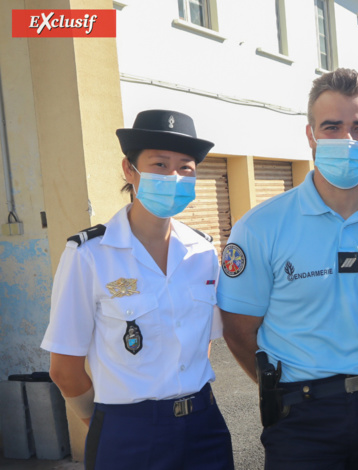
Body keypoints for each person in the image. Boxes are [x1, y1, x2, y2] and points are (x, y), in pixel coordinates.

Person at [218, 68, 358, 470]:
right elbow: (237, 328)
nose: (347, 139)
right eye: (331, 126)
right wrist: (280, 391)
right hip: (300, 417)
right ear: (310, 135)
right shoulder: (261, 226)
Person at [41, 110, 234, 469]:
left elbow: (199, 341)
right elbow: (64, 368)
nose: (174, 177)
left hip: (204, 425)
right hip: (128, 431)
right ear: (130, 171)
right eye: (160, 164)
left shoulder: (203, 252)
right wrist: (104, 423)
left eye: (185, 168)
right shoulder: (90, 255)